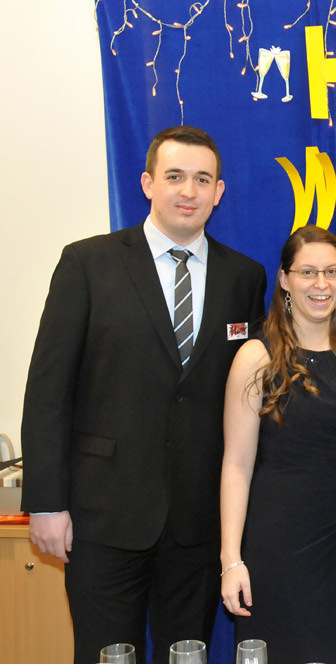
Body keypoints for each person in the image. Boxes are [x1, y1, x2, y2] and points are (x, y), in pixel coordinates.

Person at [20, 126, 267, 664]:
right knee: (106, 655)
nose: (188, 191)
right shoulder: (88, 263)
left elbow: (245, 400)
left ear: (219, 192)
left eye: (202, 179)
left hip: (198, 524)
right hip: (103, 516)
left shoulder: (244, 277)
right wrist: (46, 501)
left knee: (188, 655)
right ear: (147, 183)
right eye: (175, 176)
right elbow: (47, 390)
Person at [219, 226, 336, 663]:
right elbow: (236, 464)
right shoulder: (257, 357)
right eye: (307, 272)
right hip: (281, 549)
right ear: (284, 279)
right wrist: (231, 559)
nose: (321, 284)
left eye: (332, 271)